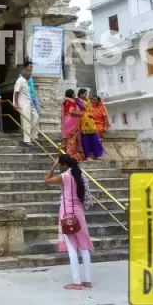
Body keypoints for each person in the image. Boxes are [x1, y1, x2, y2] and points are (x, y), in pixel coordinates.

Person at [43, 154, 94, 290]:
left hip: (67, 215)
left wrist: (53, 166)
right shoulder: (81, 175)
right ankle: (87, 280)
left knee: (72, 247)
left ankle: (76, 282)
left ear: (65, 165)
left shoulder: (65, 176)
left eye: (61, 165)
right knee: (84, 247)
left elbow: (46, 181)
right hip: (79, 214)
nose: (60, 167)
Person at [14, 62, 39, 144]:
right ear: (26, 74)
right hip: (23, 104)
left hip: (30, 102)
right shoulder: (20, 81)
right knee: (26, 121)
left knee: (36, 118)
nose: (31, 75)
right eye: (30, 74)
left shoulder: (27, 81)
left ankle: (33, 136)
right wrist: (16, 104)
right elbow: (16, 93)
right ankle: (27, 140)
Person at [77, 89, 104, 160]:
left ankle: (98, 154)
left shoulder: (87, 100)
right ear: (80, 94)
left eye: (86, 94)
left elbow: (89, 108)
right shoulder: (78, 100)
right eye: (84, 94)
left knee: (95, 138)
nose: (86, 95)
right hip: (83, 119)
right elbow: (83, 107)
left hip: (91, 120)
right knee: (85, 139)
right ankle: (87, 156)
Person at [62, 90, 85, 161]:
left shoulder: (66, 102)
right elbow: (71, 111)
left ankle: (69, 154)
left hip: (67, 121)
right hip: (72, 122)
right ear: (72, 94)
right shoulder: (72, 102)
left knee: (69, 139)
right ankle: (71, 155)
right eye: (74, 93)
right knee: (72, 139)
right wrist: (80, 114)